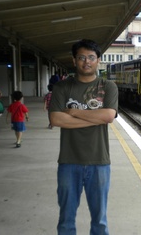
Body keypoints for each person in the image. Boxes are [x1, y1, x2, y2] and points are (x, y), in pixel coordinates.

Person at [48, 39, 118, 235]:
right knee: (66, 219)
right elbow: (55, 119)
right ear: (74, 60)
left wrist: (73, 112)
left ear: (98, 60)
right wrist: (96, 118)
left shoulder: (108, 86)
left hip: (99, 162)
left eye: (91, 57)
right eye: (81, 57)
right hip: (69, 162)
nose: (86, 61)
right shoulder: (62, 87)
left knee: (100, 220)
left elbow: (108, 116)